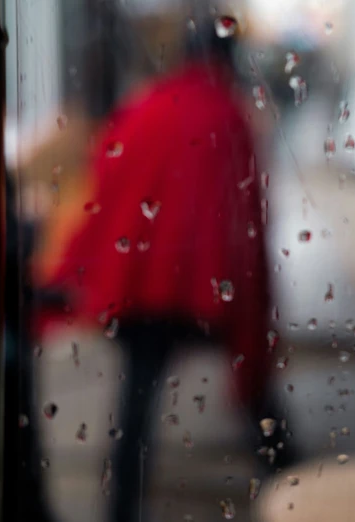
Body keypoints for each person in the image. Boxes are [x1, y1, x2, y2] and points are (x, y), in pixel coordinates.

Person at [35, 12, 281, 522]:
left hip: (141, 289)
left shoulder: (149, 105)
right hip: (205, 291)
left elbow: (105, 188)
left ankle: (121, 510)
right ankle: (294, 474)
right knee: (255, 397)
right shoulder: (229, 115)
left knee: (135, 408)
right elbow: (246, 218)